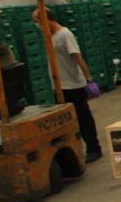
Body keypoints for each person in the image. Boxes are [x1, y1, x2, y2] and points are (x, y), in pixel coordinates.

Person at [39, 10, 103, 163]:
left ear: (47, 19)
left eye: (38, 20)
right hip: (59, 85)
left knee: (83, 118)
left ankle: (94, 148)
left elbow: (77, 56)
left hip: (73, 84)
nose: (37, 25)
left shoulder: (65, 35)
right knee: (66, 121)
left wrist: (88, 79)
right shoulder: (50, 36)